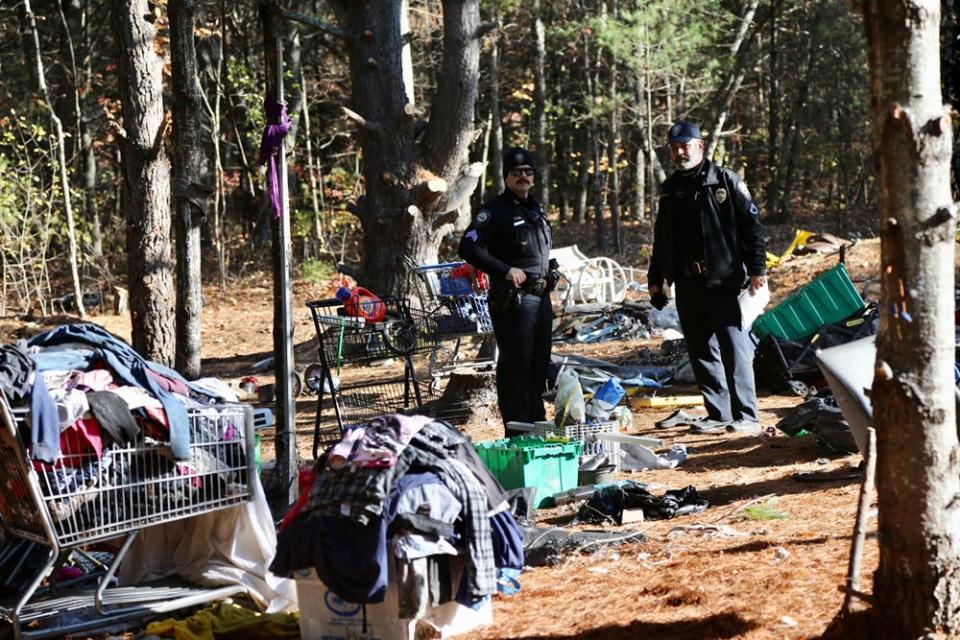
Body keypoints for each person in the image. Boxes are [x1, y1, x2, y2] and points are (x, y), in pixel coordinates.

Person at [647, 121, 767, 434]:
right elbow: (662, 238)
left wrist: (757, 269)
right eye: (675, 147)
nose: (680, 151)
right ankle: (719, 415)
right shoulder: (671, 189)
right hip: (687, 284)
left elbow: (753, 228)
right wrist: (657, 277)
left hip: (724, 280)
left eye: (685, 145)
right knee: (701, 351)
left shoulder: (724, 181)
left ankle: (748, 417)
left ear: (700, 146)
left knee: (733, 347)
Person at [458, 147, 557, 434]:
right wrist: (504, 270)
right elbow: (468, 247)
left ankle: (537, 426)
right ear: (506, 177)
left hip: (541, 298)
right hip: (514, 302)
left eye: (528, 172)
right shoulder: (494, 211)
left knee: (539, 365)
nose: (523, 177)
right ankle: (518, 432)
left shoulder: (535, 209)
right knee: (517, 367)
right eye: (516, 173)